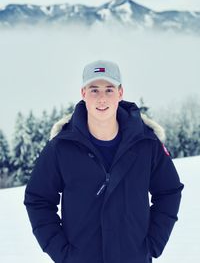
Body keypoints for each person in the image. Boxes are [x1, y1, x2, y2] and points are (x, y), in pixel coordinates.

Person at [23, 60, 184, 263]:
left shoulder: (146, 143)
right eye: (94, 90)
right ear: (83, 93)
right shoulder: (61, 146)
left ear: (120, 93)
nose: (101, 99)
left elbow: (169, 191)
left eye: (109, 90)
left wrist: (153, 243)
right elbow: (38, 199)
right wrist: (62, 253)